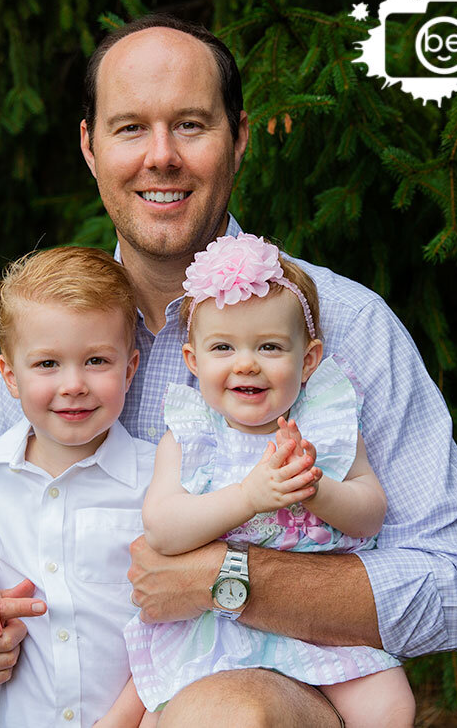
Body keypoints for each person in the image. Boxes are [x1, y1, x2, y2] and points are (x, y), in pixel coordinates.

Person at [0, 12, 457, 728]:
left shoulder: (338, 324)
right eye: (131, 128)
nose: (161, 156)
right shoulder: (54, 327)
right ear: (91, 147)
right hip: (67, 679)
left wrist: (237, 580)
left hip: (263, 678)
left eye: (190, 124)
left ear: (239, 138)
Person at [116, 233, 416, 727]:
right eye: (223, 347)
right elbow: (162, 529)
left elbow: (370, 514)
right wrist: (247, 496)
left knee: (391, 705)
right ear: (194, 361)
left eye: (270, 346)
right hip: (213, 628)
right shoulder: (192, 435)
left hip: (315, 624)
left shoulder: (327, 425)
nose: (246, 362)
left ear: (309, 360)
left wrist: (319, 489)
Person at [0, 245, 152, 728]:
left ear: (131, 368)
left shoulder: (155, 481)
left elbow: (173, 624)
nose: (73, 384)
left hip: (131, 716)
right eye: (47, 365)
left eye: (97, 360)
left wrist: (122, 720)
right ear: (10, 377)